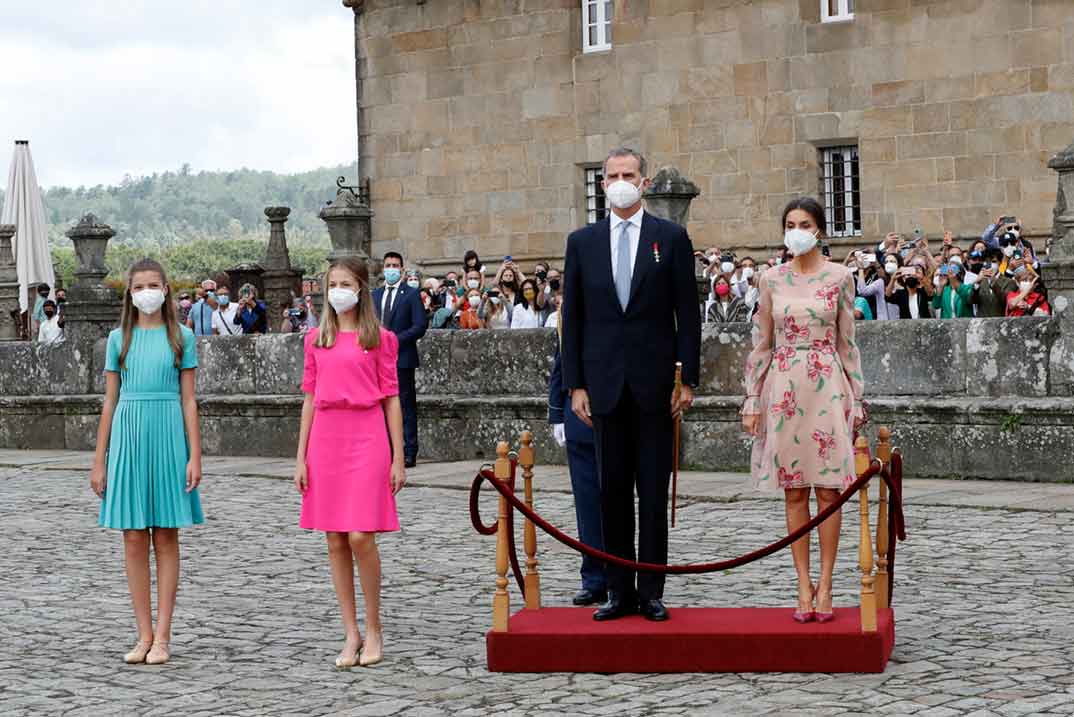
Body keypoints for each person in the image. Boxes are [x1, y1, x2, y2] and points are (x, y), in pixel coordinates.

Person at [562, 147, 701, 622]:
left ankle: (651, 588)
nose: (622, 181)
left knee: (652, 491)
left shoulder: (671, 238)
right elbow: (573, 320)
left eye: (630, 174)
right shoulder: (582, 242)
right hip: (603, 384)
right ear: (603, 184)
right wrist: (575, 385)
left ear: (643, 183)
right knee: (612, 491)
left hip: (655, 384)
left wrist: (689, 378)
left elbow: (689, 313)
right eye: (613, 175)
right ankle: (617, 589)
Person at [741, 197, 865, 625]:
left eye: (805, 223)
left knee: (829, 490)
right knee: (794, 490)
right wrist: (752, 396)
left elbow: (848, 341)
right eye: (790, 222)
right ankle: (802, 582)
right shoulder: (770, 279)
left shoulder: (841, 276)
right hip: (784, 384)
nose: (796, 229)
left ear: (819, 230)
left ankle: (828, 583)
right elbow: (762, 341)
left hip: (827, 382)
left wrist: (858, 395)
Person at [89, 258, 202, 666]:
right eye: (139, 286)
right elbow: (109, 400)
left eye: (154, 284)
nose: (147, 292)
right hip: (129, 435)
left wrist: (195, 454)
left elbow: (189, 400)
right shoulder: (120, 339)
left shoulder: (182, 337)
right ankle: (143, 633)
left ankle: (165, 635)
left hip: (168, 433)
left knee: (166, 535)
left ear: (167, 289)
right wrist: (99, 459)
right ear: (130, 294)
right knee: (133, 536)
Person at [294, 256, 405, 669]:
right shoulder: (315, 339)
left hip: (367, 434)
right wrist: (300, 456)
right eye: (331, 282)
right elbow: (309, 397)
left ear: (360, 287)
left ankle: (374, 626)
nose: (337, 289)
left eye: (345, 282)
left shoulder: (381, 338)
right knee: (335, 538)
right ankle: (351, 632)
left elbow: (392, 398)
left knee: (361, 535)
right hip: (326, 436)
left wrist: (397, 458)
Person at [548, 304, 606, 607]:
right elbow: (562, 359)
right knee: (587, 502)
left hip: (620, 410)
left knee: (617, 499)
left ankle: (624, 572)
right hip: (580, 417)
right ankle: (594, 577)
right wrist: (556, 414)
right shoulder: (570, 308)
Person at [372, 251, 428, 468]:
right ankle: (385, 449)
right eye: (388, 265)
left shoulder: (411, 294)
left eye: (395, 265)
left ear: (402, 269)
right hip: (377, 359)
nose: (391, 269)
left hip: (402, 357)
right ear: (383, 268)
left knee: (405, 404)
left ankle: (409, 450)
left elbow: (420, 325)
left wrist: (394, 340)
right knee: (379, 405)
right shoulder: (375, 295)